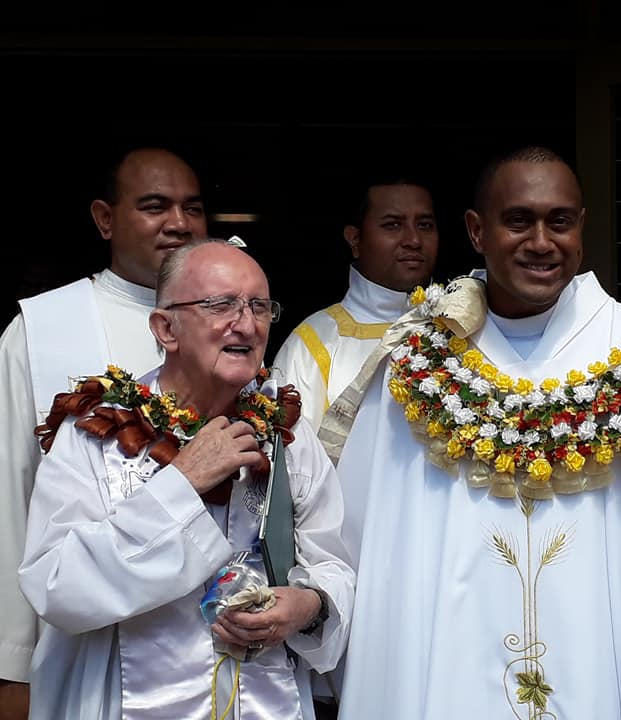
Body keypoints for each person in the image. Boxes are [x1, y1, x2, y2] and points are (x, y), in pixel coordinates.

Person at [327, 146, 621, 719]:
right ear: (476, 231)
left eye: (559, 222)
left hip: (603, 669)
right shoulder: (419, 361)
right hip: (451, 675)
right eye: (518, 220)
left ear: (581, 228)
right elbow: (377, 549)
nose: (541, 241)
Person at [19, 239, 356, 719]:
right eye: (220, 304)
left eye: (260, 306)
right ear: (166, 327)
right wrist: (182, 482)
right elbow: (55, 586)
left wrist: (309, 604)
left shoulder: (285, 432)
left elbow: (334, 564)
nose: (246, 322)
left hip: (267, 700)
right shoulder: (97, 431)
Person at [0, 146, 206, 719]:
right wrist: (11, 661)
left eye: (193, 207)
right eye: (154, 206)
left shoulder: (234, 321)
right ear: (105, 219)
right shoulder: (41, 330)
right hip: (89, 638)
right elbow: (8, 496)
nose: (179, 223)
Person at [272, 175, 439, 425]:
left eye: (425, 225)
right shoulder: (313, 342)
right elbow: (295, 458)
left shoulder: (462, 328)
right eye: (393, 225)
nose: (413, 240)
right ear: (355, 239)